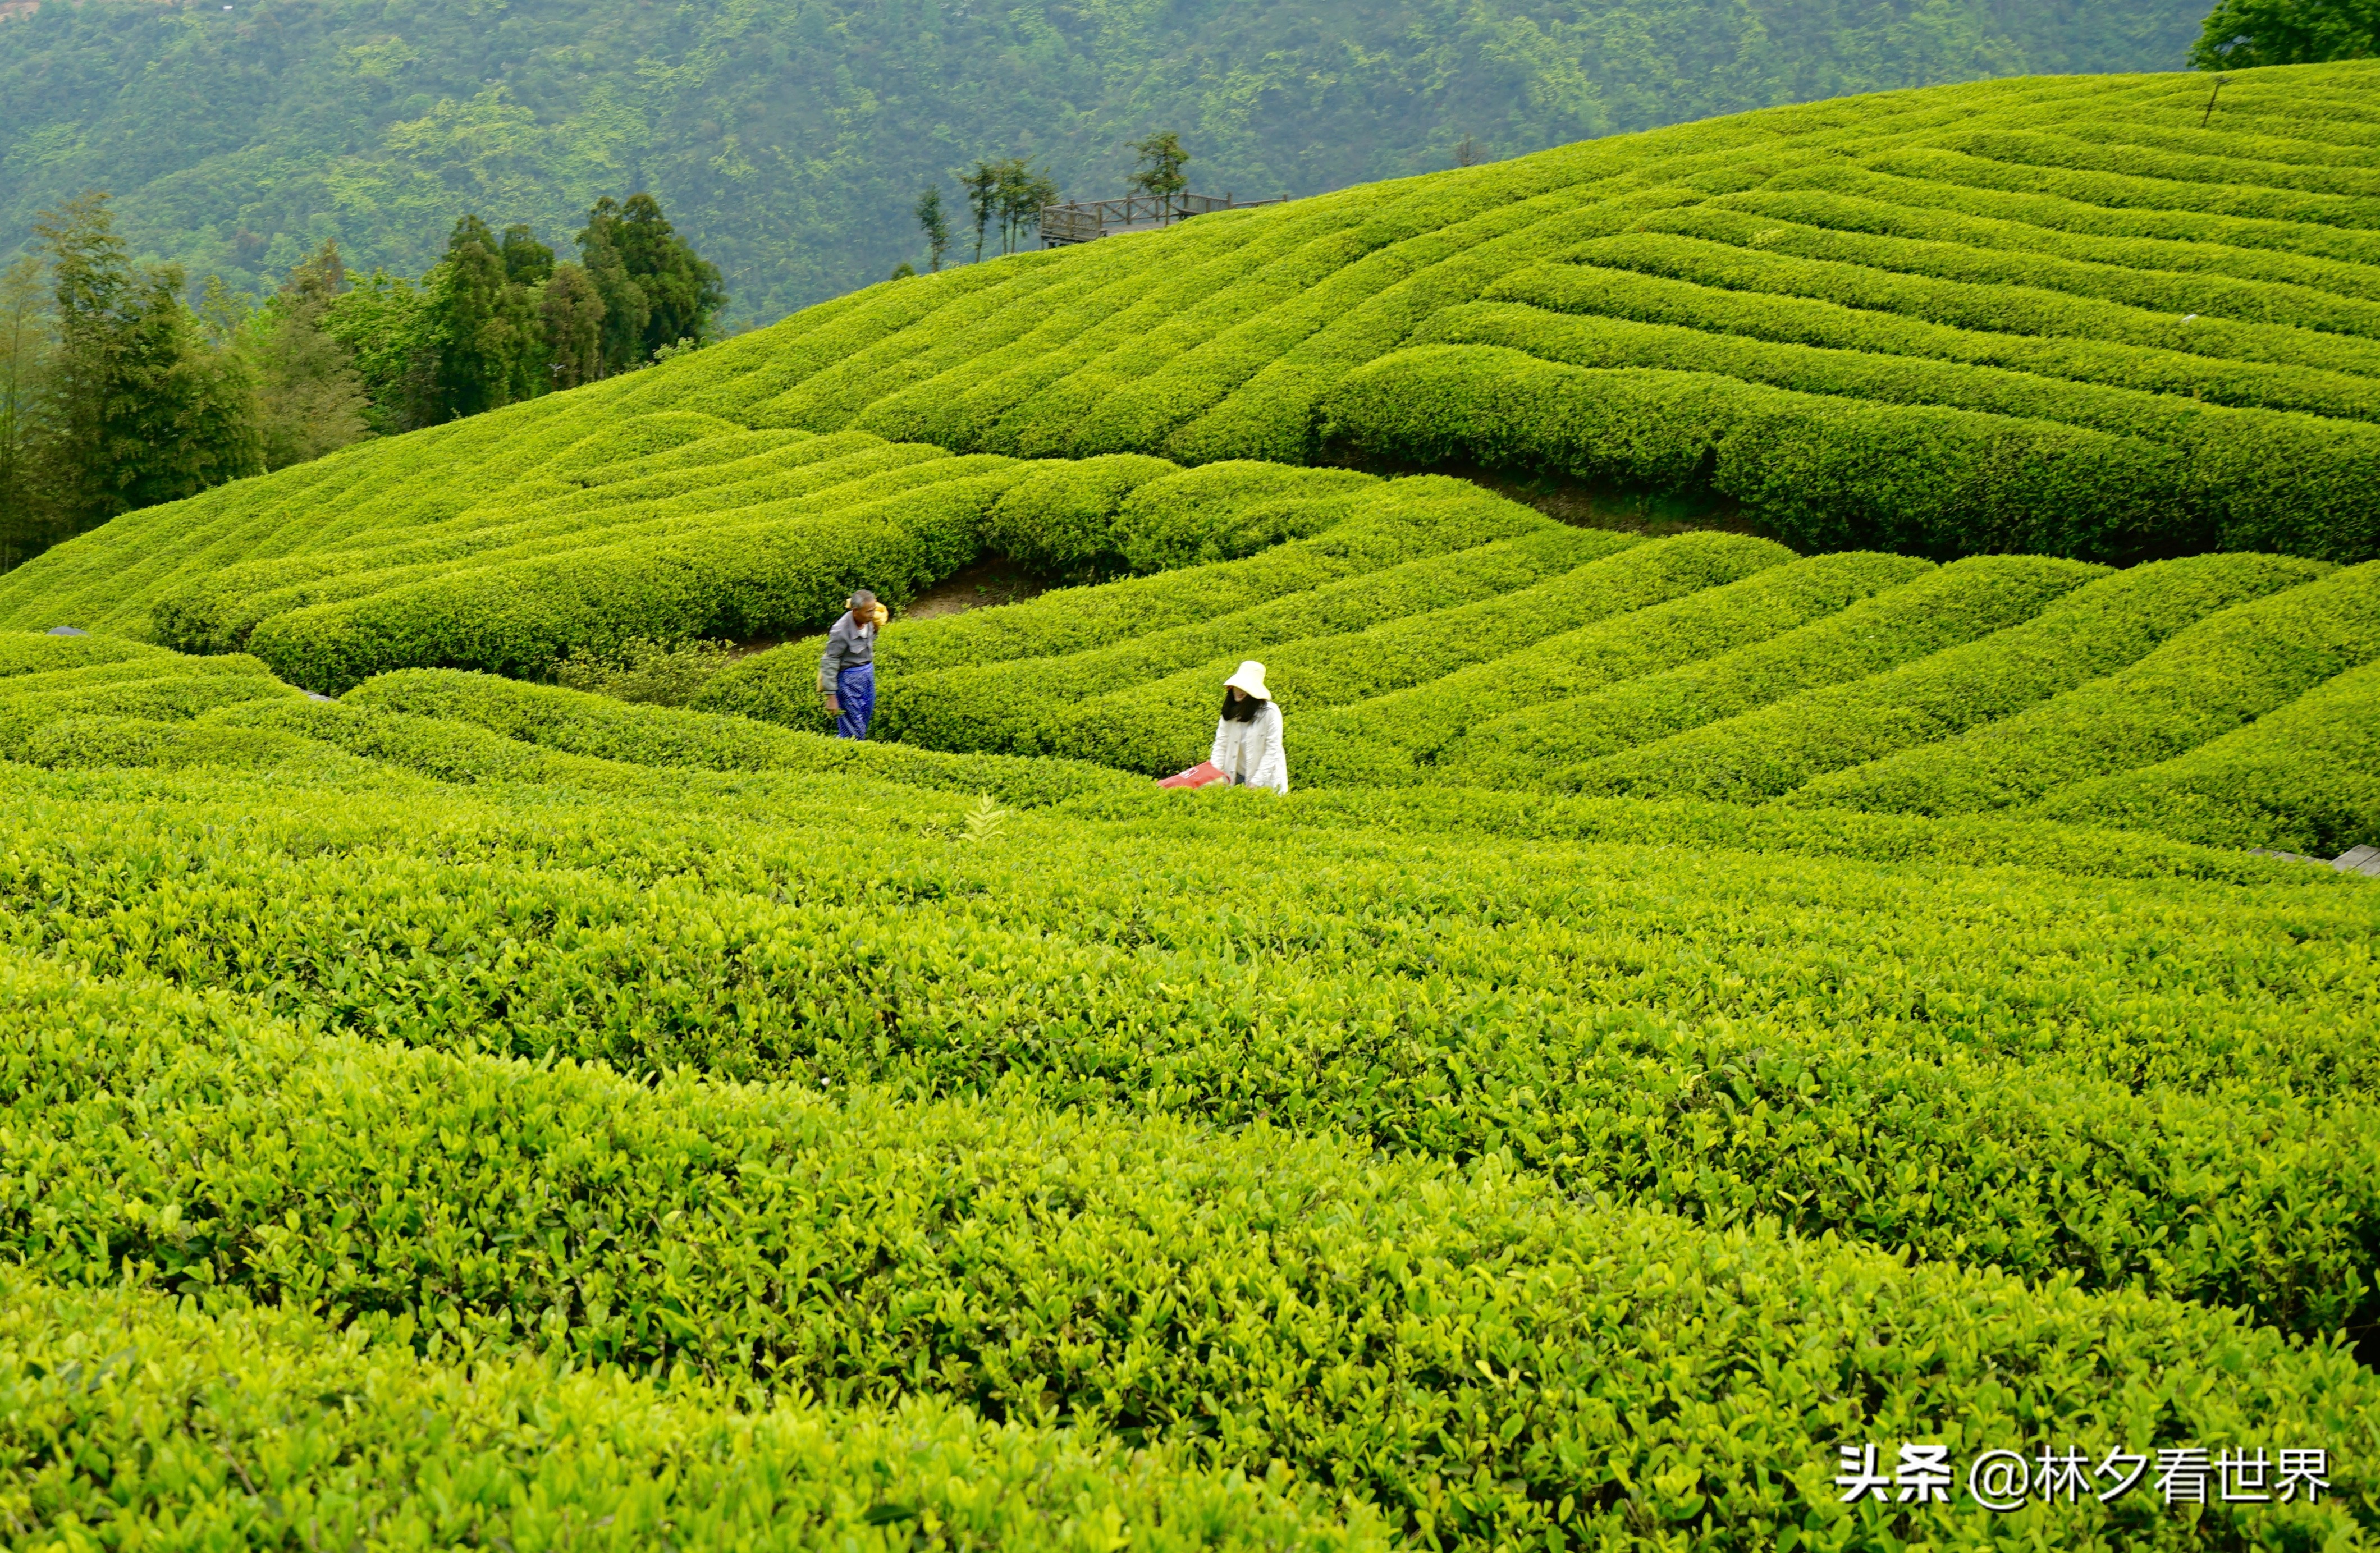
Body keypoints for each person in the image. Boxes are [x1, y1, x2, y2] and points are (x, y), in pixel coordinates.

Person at [1210, 659, 1288, 793]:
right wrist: (1214, 774)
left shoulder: (1270, 713)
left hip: (1265, 779)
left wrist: (1256, 782)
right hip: (1236, 775)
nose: (1239, 691)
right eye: (1237, 686)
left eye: (1245, 688)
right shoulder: (1230, 712)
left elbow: (1272, 750)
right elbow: (1221, 745)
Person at [820, 589, 886, 739]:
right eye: (869, 612)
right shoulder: (840, 631)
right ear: (856, 611)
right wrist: (831, 697)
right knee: (852, 730)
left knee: (863, 720)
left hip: (868, 675)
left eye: (874, 610)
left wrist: (876, 628)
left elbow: (867, 641)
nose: (873, 615)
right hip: (849, 681)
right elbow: (830, 661)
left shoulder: (869, 621)